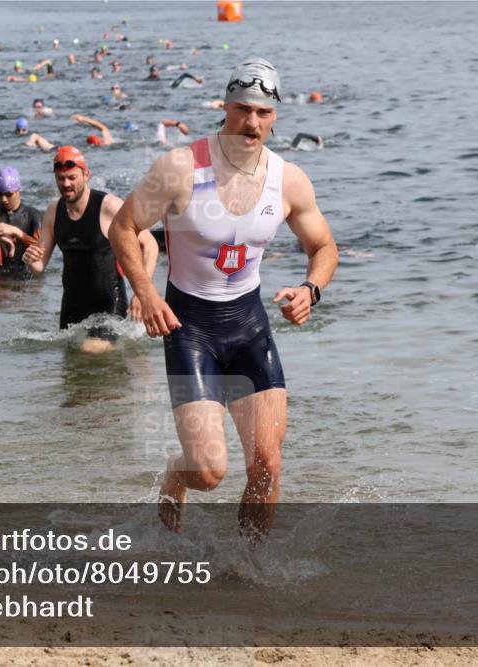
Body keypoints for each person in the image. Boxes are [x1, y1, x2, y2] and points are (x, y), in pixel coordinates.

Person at [108, 58, 339, 541]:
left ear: (275, 117)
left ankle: (248, 569)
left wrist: (310, 289)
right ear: (225, 106)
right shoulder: (179, 169)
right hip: (189, 328)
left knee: (267, 466)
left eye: (262, 113)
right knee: (210, 471)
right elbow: (123, 227)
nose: (251, 123)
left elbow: (324, 247)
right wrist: (145, 292)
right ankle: (178, 473)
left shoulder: (289, 179)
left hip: (249, 325)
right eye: (241, 109)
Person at [23, 146, 158, 353]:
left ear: (86, 174)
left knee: (90, 350)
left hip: (108, 303)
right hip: (72, 305)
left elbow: (150, 244)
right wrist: (30, 259)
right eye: (60, 179)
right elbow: (40, 266)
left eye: (71, 177)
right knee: (71, 368)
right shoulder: (53, 210)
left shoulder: (109, 206)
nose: (66, 184)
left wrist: (142, 293)